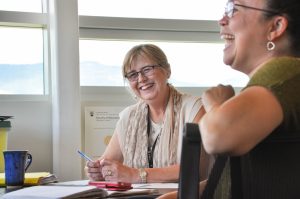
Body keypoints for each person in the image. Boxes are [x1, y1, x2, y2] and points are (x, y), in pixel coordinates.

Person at [159, 0, 300, 198]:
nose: (222, 20)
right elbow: (252, 174)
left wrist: (215, 103)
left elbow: (217, 137)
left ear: (275, 27)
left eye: (234, 10)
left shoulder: (286, 71)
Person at [85, 44, 209, 184]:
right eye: (132, 75)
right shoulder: (128, 117)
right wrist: (98, 172)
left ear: (167, 70)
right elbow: (107, 164)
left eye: (147, 69)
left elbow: (195, 168)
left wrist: (136, 175)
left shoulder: (194, 109)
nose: (141, 79)